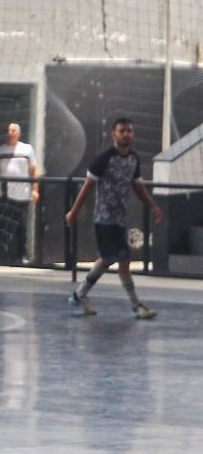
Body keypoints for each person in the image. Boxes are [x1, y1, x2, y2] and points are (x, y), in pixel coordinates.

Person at [65, 117, 162, 319]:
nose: (126, 134)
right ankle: (136, 306)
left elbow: (138, 186)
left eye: (129, 130)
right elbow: (87, 186)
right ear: (113, 134)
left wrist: (152, 206)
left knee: (107, 259)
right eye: (122, 130)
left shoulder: (133, 159)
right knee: (123, 259)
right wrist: (74, 212)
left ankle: (79, 294)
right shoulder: (104, 159)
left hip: (119, 219)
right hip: (104, 219)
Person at [0, 122, 38, 263]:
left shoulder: (27, 149)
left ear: (18, 133)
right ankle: (3, 255)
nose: (10, 133)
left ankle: (21, 255)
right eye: (8, 130)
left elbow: (33, 171)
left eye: (13, 130)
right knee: (4, 225)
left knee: (21, 225)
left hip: (22, 194)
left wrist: (35, 190)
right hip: (4, 194)